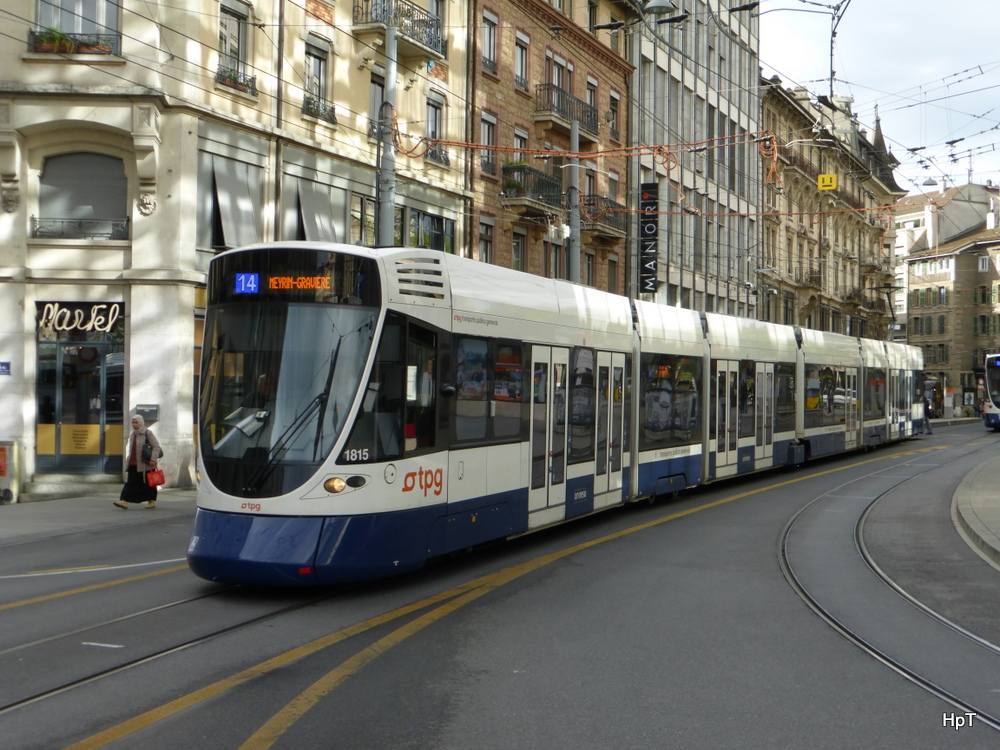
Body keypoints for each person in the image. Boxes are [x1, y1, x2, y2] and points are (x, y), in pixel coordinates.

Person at [114, 414, 162, 510]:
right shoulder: (133, 434)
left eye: (136, 422)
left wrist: (153, 459)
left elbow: (156, 447)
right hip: (133, 463)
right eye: (133, 422)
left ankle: (151, 500)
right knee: (130, 483)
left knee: (148, 483)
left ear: (141, 422)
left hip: (145, 464)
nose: (134, 424)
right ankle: (124, 501)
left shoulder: (147, 433)